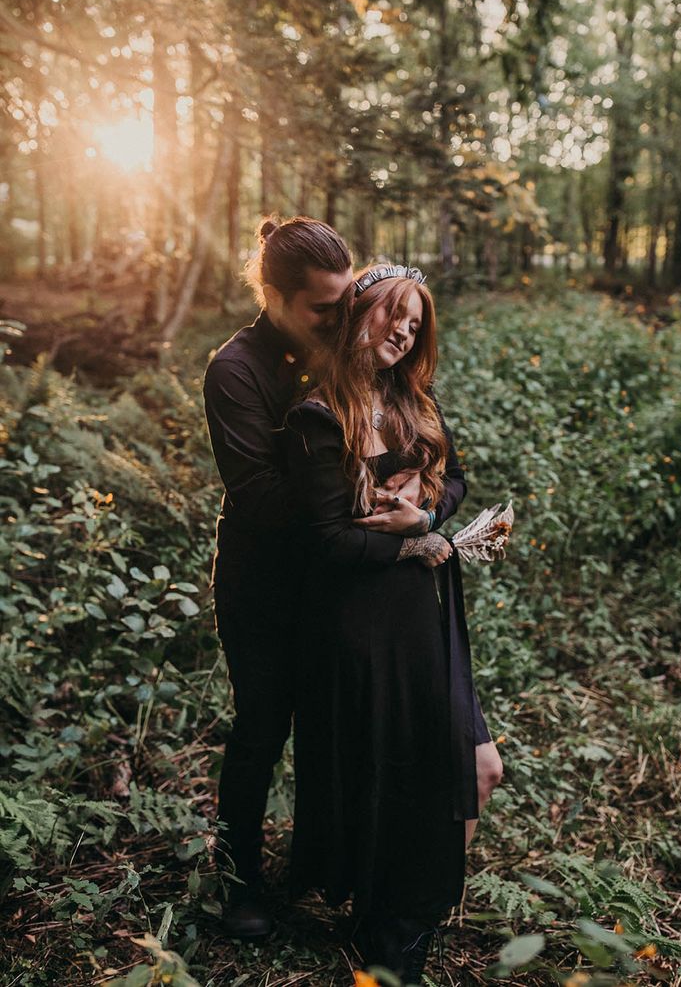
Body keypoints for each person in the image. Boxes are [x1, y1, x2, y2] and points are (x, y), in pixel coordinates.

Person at [202, 219, 435, 939]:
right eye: (323, 309)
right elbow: (261, 497)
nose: (342, 321)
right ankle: (239, 881)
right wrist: (356, 493)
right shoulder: (235, 370)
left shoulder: (352, 351)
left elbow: (425, 449)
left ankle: (334, 867)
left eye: (347, 303)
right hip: (266, 587)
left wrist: (418, 496)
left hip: (342, 583)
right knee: (263, 728)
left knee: (341, 732)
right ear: (272, 295)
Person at [282, 264, 503, 982]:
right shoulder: (318, 417)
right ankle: (388, 926)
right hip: (356, 623)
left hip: (421, 612)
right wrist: (418, 542)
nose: (404, 330)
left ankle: (407, 909)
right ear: (358, 312)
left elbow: (458, 477)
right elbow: (330, 541)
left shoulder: (413, 400)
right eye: (393, 314)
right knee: (384, 766)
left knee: (469, 761)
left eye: (416, 321)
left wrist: (428, 513)